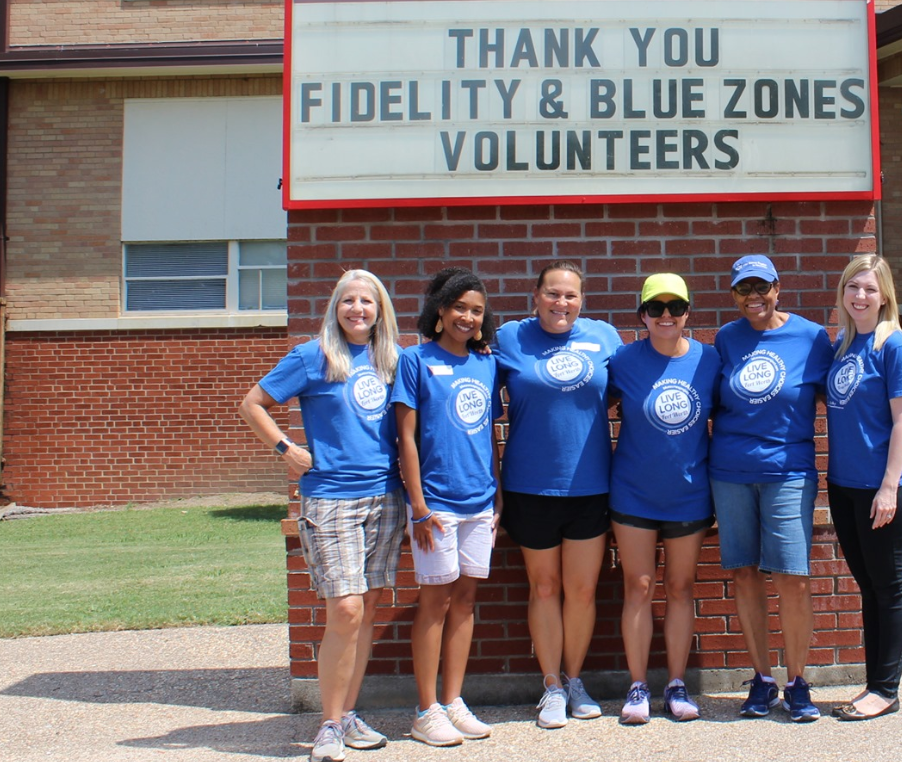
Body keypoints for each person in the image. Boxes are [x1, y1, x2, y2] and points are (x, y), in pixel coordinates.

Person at [238, 269, 402, 759]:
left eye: (367, 301)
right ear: (336, 307)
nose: (357, 309)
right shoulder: (313, 356)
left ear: (380, 310)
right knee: (346, 608)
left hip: (385, 496)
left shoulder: (390, 359)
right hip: (330, 498)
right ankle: (328, 725)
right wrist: (286, 448)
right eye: (348, 300)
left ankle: (348, 715)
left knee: (368, 609)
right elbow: (253, 404)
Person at [494, 261, 622, 728]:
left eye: (570, 295)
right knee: (544, 587)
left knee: (583, 590)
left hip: (591, 485)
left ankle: (574, 679)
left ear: (581, 300)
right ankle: (550, 686)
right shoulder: (510, 338)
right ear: (536, 295)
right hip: (531, 486)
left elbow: (622, 395)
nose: (561, 303)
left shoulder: (605, 337)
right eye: (552, 294)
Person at [710, 254, 834, 722]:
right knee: (744, 572)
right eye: (744, 289)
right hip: (731, 471)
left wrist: (895, 428)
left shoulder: (809, 337)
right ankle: (762, 680)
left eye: (762, 287)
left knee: (793, 578)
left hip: (788, 470)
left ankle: (798, 682)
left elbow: (841, 392)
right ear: (733, 295)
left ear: (778, 288)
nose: (753, 297)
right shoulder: (726, 338)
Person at [391, 267, 502, 747]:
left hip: (480, 504)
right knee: (434, 602)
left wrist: (497, 496)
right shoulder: (415, 361)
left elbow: (488, 434)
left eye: (476, 310)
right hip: (436, 505)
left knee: (466, 601)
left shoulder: (486, 363)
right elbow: (406, 438)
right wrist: (417, 505)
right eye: (459, 307)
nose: (468, 316)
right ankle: (425, 709)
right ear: (440, 310)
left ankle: (453, 701)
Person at [606, 273, 721, 725]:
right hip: (633, 492)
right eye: (656, 308)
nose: (667, 315)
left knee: (680, 588)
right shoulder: (623, 360)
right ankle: (637, 685)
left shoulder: (708, 360)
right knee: (638, 586)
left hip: (689, 495)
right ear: (643, 315)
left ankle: (676, 682)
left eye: (676, 307)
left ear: (688, 312)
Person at [824, 254, 902, 722]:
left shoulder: (893, 345)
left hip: (881, 489)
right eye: (852, 287)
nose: (860, 296)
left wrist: (888, 488)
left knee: (888, 585)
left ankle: (886, 689)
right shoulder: (844, 345)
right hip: (844, 485)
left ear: (885, 296)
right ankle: (873, 683)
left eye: (869, 288)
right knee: (868, 586)